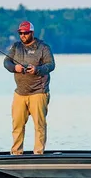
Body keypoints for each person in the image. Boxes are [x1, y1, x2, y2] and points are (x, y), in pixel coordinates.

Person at [3, 21, 56, 155]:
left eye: (26, 33)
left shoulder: (43, 47)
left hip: (39, 92)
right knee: (17, 125)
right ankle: (16, 153)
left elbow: (51, 65)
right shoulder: (16, 47)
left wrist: (37, 69)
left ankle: (38, 153)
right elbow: (6, 62)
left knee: (39, 125)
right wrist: (15, 67)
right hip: (20, 93)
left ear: (32, 33)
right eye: (21, 33)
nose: (23, 35)